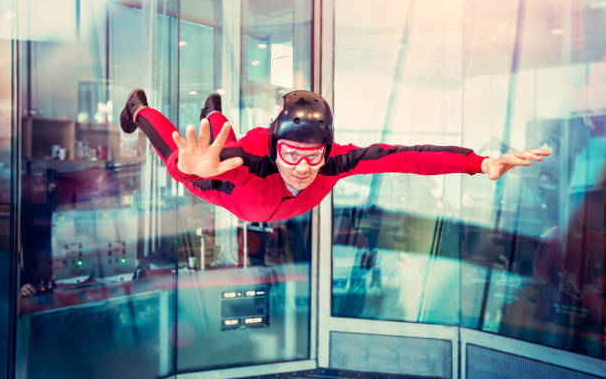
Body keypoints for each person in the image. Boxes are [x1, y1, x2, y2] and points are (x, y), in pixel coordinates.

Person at [119, 89, 550, 222]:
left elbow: (409, 157)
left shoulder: (336, 161)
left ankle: (212, 111)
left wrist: (478, 162)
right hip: (229, 189)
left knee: (213, 137)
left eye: (314, 157)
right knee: (197, 143)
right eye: (292, 155)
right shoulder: (248, 159)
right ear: (275, 147)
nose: (304, 169)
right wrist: (185, 168)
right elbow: (188, 168)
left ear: (327, 150)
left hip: (262, 202)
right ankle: (138, 106)